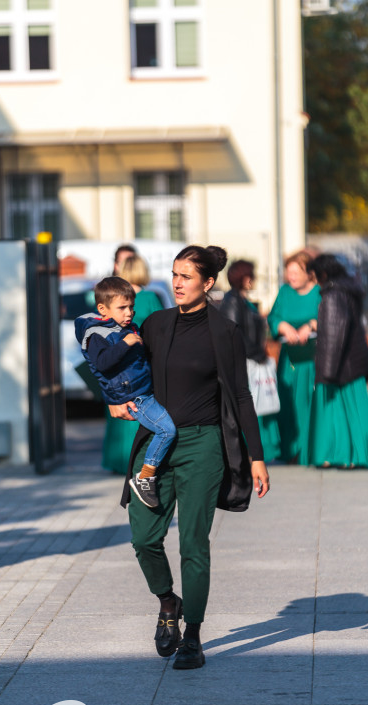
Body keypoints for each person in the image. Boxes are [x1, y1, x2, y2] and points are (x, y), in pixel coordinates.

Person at [111, 245, 270, 670]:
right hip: (155, 445)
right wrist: (114, 399)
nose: (178, 283)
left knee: (194, 545)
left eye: (187, 276)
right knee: (144, 537)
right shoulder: (156, 324)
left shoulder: (224, 332)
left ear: (208, 282)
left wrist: (256, 456)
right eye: (175, 275)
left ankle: (193, 637)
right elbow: (121, 368)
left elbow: (239, 394)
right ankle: (168, 602)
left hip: (202, 444)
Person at [75, 277, 176, 508]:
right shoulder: (98, 335)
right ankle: (145, 477)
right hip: (136, 397)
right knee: (167, 430)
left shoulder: (123, 327)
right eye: (122, 308)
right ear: (103, 309)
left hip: (142, 390)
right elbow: (102, 363)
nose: (129, 313)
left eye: (131, 307)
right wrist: (127, 343)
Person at [308, 254, 368, 468]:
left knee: (336, 413)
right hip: (353, 361)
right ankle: (357, 456)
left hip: (339, 365)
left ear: (323, 273)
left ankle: (339, 456)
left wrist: (327, 372)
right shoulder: (348, 290)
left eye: (314, 276)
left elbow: (334, 333)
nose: (314, 281)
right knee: (355, 414)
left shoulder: (332, 295)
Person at [101, 254, 165, 475]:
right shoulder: (150, 298)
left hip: (118, 365)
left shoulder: (115, 301)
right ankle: (139, 461)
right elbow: (160, 334)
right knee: (141, 412)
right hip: (141, 365)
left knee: (120, 413)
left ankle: (118, 461)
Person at [220, 259, 281, 461]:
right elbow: (235, 335)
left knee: (260, 402)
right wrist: (259, 354)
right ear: (245, 278)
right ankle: (250, 450)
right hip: (245, 362)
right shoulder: (232, 302)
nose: (254, 280)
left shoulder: (242, 300)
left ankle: (261, 450)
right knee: (251, 404)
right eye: (252, 276)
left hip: (253, 359)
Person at [267, 251, 321, 464]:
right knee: (287, 403)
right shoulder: (284, 292)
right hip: (288, 361)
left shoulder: (319, 292)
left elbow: (327, 317)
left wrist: (312, 325)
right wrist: (282, 326)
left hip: (312, 360)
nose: (292, 277)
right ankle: (291, 449)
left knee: (309, 403)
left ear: (309, 273)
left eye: (296, 272)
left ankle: (310, 448)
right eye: (289, 272)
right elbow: (273, 317)